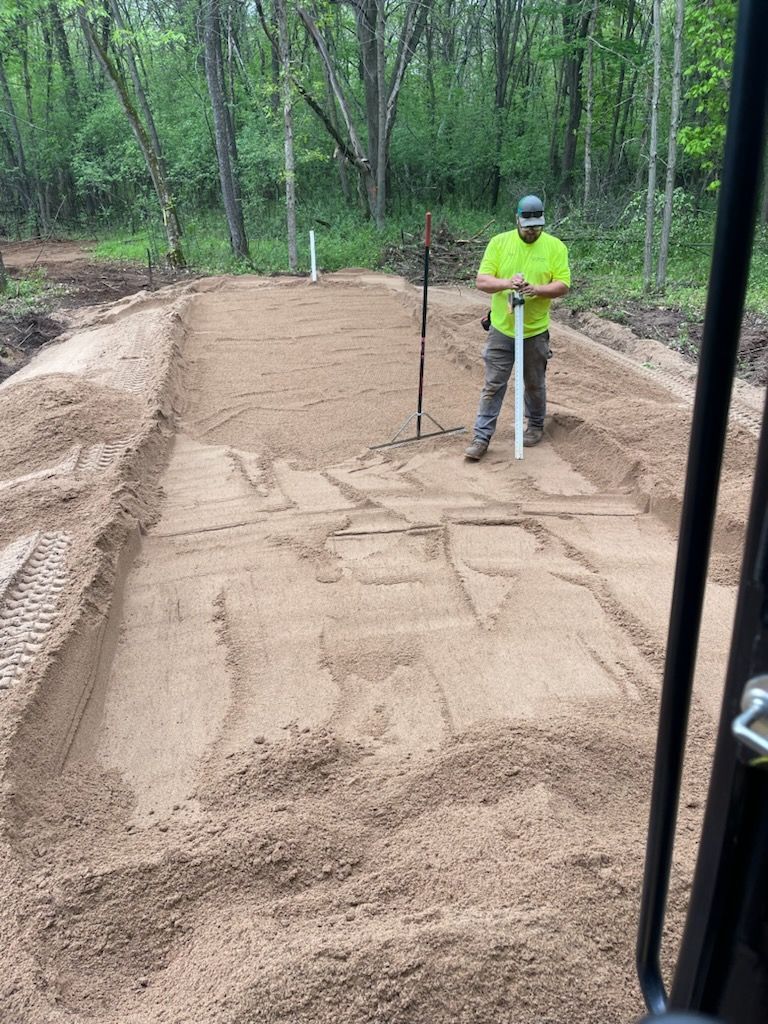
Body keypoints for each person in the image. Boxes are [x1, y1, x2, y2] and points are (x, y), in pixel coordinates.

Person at [465, 195, 571, 460]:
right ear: (517, 220)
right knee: (493, 384)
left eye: (537, 226)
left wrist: (537, 289)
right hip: (502, 329)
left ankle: (535, 425)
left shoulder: (555, 247)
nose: (532, 231)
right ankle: (481, 436)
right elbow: (482, 281)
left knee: (534, 383)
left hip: (535, 330)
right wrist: (507, 284)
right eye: (527, 226)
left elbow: (563, 285)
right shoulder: (499, 243)